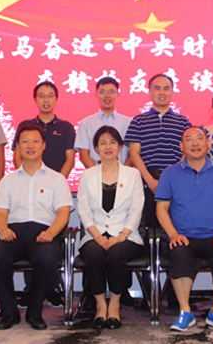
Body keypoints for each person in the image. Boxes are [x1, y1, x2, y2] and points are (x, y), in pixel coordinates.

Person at [0, 124, 73, 331]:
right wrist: (2, 229)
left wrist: (51, 232)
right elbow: (0, 213)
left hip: (44, 232)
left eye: (35, 141)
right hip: (13, 232)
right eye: (25, 141)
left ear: (44, 145)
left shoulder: (57, 179)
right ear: (17, 146)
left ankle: (34, 312)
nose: (30, 145)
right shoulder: (8, 180)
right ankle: (9, 311)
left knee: (47, 259)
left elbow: (63, 213)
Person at [155, 126, 213, 332]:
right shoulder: (170, 173)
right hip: (184, 237)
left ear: (208, 144)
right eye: (189, 139)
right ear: (181, 146)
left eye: (199, 138)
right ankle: (185, 312)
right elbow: (161, 208)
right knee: (179, 253)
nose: (195, 143)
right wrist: (173, 234)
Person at [77, 126, 144, 329]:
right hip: (94, 233)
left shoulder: (132, 174)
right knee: (94, 253)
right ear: (96, 148)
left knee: (116, 254)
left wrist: (122, 235)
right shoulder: (87, 175)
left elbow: (136, 209)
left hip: (126, 236)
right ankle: (100, 306)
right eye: (103, 143)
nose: (108, 147)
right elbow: (84, 210)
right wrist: (97, 235)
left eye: (112, 142)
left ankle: (114, 305)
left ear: (120, 146)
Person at [125, 73, 191, 228]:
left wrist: (174, 178)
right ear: (149, 92)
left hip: (177, 178)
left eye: (166, 88)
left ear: (172, 92)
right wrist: (149, 180)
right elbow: (134, 153)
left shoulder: (183, 122)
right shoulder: (138, 121)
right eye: (157, 88)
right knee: (148, 226)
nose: (162, 92)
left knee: (177, 225)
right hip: (146, 180)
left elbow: (187, 152)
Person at [13, 81, 76, 177]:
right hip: (29, 180)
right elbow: (17, 157)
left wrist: (58, 182)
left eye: (50, 96)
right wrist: (27, 179)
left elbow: (70, 160)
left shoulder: (66, 127)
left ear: (56, 99)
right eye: (42, 96)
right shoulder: (25, 126)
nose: (46, 100)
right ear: (35, 99)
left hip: (57, 182)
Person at [75, 77, 132, 168]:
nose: (107, 96)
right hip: (94, 174)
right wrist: (98, 173)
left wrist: (122, 173)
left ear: (117, 94)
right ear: (96, 95)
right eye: (103, 92)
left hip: (123, 174)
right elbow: (84, 155)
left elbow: (132, 153)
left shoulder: (129, 123)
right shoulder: (86, 123)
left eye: (111, 92)